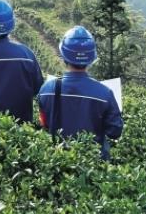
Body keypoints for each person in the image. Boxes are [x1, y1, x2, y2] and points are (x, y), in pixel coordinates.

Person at [37, 26, 123, 159]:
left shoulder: (46, 90)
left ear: (64, 56)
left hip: (57, 161)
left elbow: (44, 124)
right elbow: (115, 132)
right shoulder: (105, 93)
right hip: (93, 165)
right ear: (91, 58)